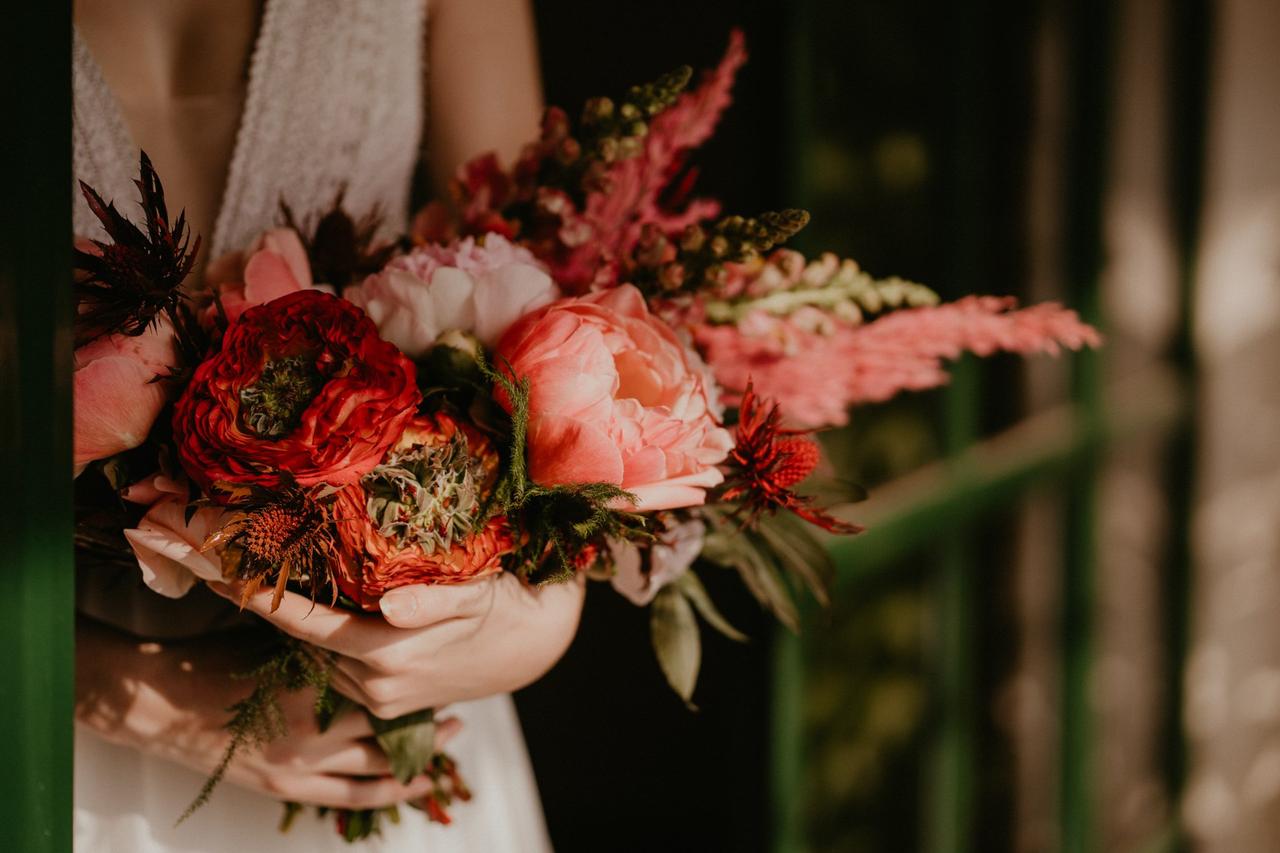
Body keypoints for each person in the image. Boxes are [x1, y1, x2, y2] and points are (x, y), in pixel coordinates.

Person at [71, 1, 584, 850]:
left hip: (382, 708)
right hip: (60, 732)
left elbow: (546, 328)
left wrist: (535, 617)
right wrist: (143, 697)